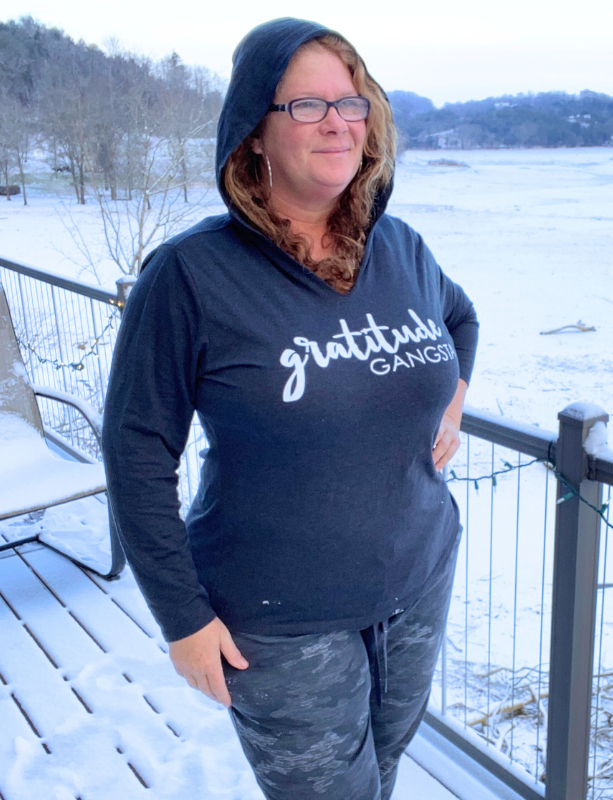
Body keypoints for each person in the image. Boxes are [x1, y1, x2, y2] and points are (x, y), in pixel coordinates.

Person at [100, 18, 477, 800]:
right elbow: (136, 452)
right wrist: (181, 618)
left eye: (351, 101)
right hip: (277, 619)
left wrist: (453, 400)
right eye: (307, 105)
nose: (337, 121)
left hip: (418, 573)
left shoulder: (399, 247)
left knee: (387, 764)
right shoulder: (191, 276)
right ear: (255, 135)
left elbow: (461, 320)